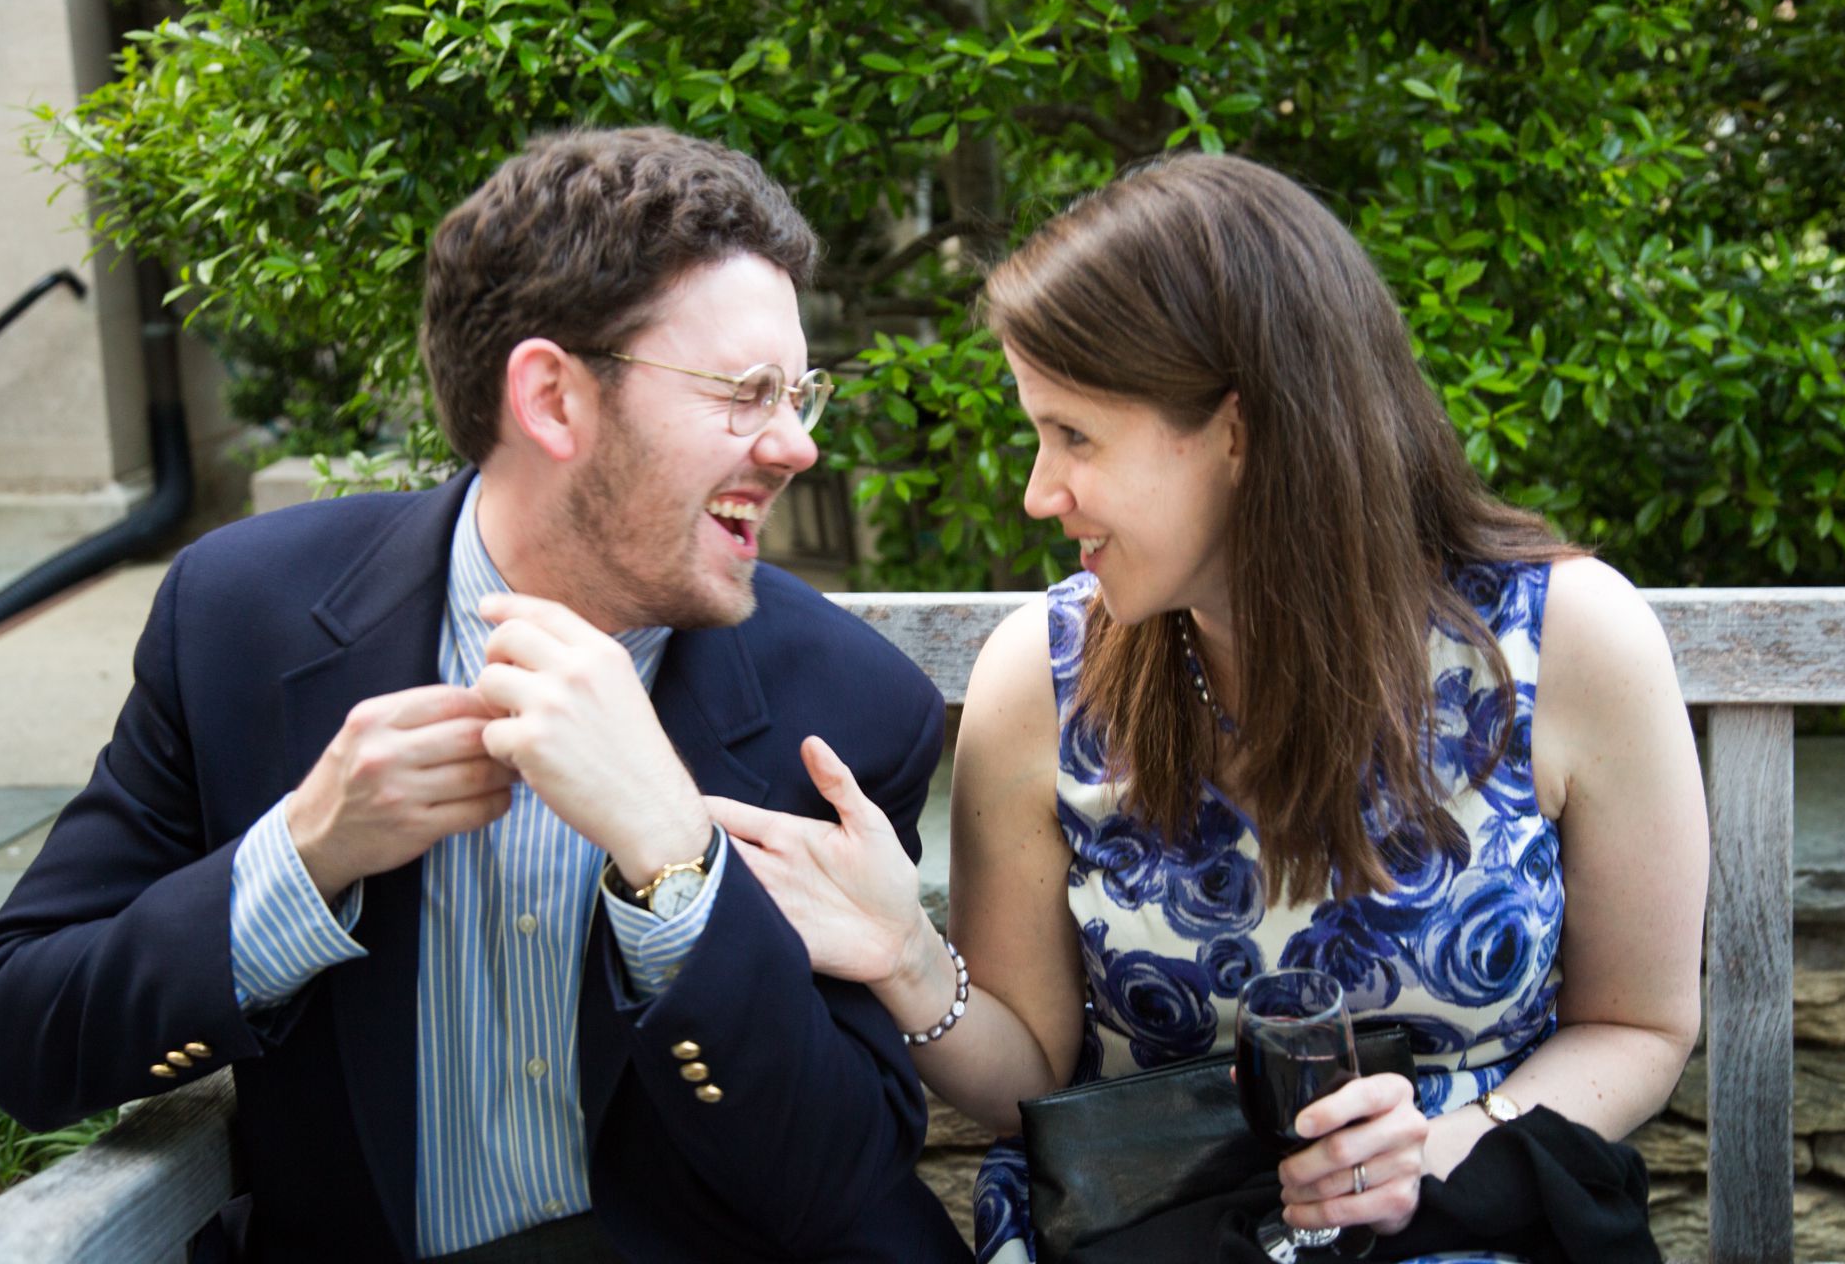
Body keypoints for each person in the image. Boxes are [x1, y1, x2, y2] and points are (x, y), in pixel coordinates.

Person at [0, 127, 971, 1263]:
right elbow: (25, 1029)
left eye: (799, 394)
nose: (796, 445)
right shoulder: (240, 620)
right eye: (747, 392)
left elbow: (839, 1182)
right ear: (552, 398)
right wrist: (299, 862)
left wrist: (678, 864)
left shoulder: (848, 707)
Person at [714, 154, 1708, 1261]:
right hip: (1152, 1233)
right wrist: (904, 952)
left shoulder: (1565, 644)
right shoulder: (1043, 679)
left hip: (1460, 1216)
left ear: (1239, 430)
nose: (1039, 493)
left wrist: (1443, 1148)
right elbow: (1028, 1082)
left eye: (1075, 435)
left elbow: (1639, 1024)